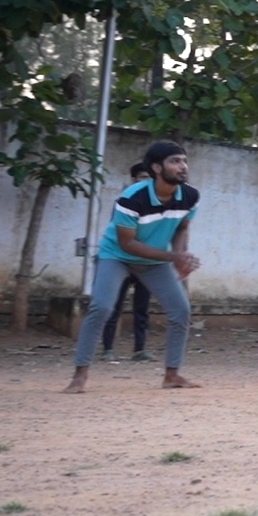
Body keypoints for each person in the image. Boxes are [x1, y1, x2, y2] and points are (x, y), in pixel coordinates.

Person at [63, 142, 202, 393]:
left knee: (181, 311)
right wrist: (172, 256)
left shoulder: (190, 196)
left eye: (184, 161)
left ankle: (172, 375)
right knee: (101, 307)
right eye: (175, 161)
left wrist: (180, 256)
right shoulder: (132, 197)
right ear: (157, 168)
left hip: (155, 261)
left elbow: (182, 228)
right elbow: (127, 243)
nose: (183, 166)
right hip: (116, 256)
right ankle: (79, 376)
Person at [99, 162, 154, 362]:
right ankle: (107, 349)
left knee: (142, 308)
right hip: (121, 260)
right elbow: (120, 232)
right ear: (133, 179)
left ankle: (140, 350)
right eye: (143, 177)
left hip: (145, 261)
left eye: (149, 178)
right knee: (114, 305)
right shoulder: (124, 202)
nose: (146, 182)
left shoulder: (156, 204)